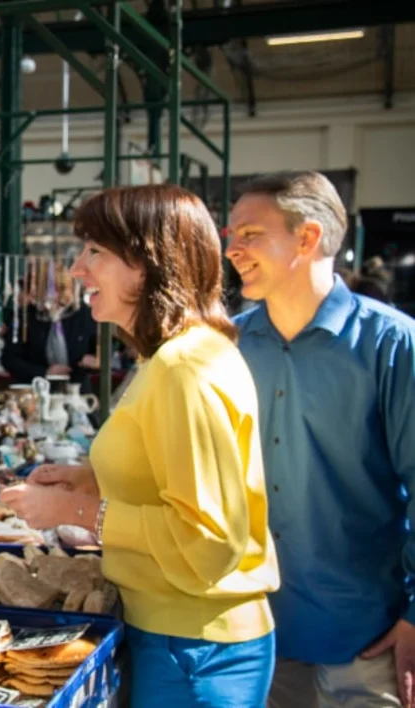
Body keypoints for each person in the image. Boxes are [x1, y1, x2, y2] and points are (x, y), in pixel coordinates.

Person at [1, 185, 279, 706]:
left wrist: (76, 509)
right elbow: (168, 477)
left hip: (196, 650)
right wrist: (88, 477)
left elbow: (209, 538)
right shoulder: (172, 358)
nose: (78, 270)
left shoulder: (185, 367)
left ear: (148, 264)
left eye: (95, 252)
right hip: (181, 637)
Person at [226, 171, 415, 708]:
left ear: (307, 239)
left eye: (250, 234)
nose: (233, 249)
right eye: (232, 234)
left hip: (365, 638)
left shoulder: (393, 345)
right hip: (257, 632)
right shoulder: (229, 345)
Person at [0, 279, 99, 388]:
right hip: (36, 389)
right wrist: (44, 372)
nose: (56, 296)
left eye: (62, 289)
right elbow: (9, 359)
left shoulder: (85, 315)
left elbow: (102, 348)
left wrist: (94, 360)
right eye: (51, 290)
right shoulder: (25, 316)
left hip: (77, 390)